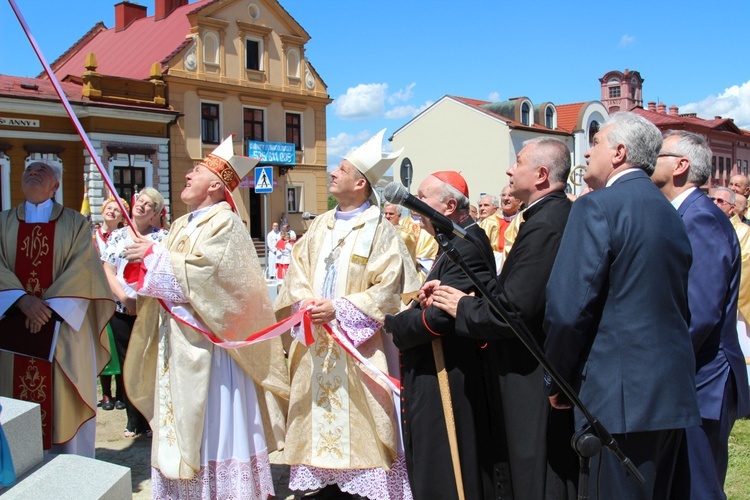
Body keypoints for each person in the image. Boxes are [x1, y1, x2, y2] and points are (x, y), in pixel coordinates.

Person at [543, 112, 701, 499]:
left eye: (594, 143)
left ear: (619, 152)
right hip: (669, 394)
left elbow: (567, 309)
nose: (585, 155)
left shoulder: (597, 206)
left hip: (616, 401)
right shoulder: (671, 211)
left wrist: (557, 381)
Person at [122, 137, 289, 498]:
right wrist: (143, 257)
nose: (186, 174)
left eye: (195, 171)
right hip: (178, 342)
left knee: (212, 420)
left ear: (215, 184)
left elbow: (208, 278)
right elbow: (165, 278)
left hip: (212, 349)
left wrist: (154, 256)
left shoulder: (225, 223)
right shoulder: (183, 225)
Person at [274, 129, 419, 499]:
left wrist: (338, 309)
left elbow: (390, 290)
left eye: (341, 168)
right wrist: (306, 303)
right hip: (316, 345)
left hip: (359, 349)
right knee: (316, 425)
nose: (332, 173)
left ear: (360, 182)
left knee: (364, 424)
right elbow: (297, 271)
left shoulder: (382, 232)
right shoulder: (319, 224)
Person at [429, 138, 577, 500]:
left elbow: (517, 309)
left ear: (541, 175)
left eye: (519, 162)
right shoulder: (545, 215)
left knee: (533, 468)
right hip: (528, 363)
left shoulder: (547, 223)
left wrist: (462, 306)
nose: (510, 170)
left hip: (529, 367)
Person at [384, 171, 504, 500]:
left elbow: (441, 317)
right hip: (440, 370)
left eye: (421, 197)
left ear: (449, 205)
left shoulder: (466, 243)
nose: (411, 203)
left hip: (449, 374)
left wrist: (396, 323)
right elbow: (441, 302)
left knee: (448, 470)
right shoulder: (454, 240)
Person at [651, 130, 750, 498]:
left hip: (703, 379)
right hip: (693, 375)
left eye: (657, 154)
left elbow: (701, 311)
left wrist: (656, 363)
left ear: (680, 165)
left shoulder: (700, 218)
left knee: (699, 486)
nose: (649, 159)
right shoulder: (685, 214)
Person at [0, 161, 115, 457]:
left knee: (63, 402)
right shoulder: (2, 223)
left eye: (42, 170)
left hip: (62, 332)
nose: (33, 172)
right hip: (11, 331)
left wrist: (44, 310)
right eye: (28, 170)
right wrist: (21, 301)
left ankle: (69, 470)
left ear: (55, 186)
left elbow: (85, 271)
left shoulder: (75, 223)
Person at [101, 188, 168, 438]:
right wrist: (124, 299)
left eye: (148, 205)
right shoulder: (117, 236)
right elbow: (108, 270)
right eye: (140, 201)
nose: (141, 206)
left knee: (149, 365)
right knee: (128, 364)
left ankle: (151, 419)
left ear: (155, 215)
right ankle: (133, 420)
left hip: (151, 313)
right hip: (122, 311)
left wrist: (142, 302)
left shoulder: (162, 239)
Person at [95, 196, 129, 412]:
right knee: (103, 343)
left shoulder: (125, 237)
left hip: (119, 297)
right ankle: (106, 393)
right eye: (109, 208)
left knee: (120, 346)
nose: (112, 212)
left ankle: (122, 393)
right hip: (99, 296)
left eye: (118, 210)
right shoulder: (90, 236)